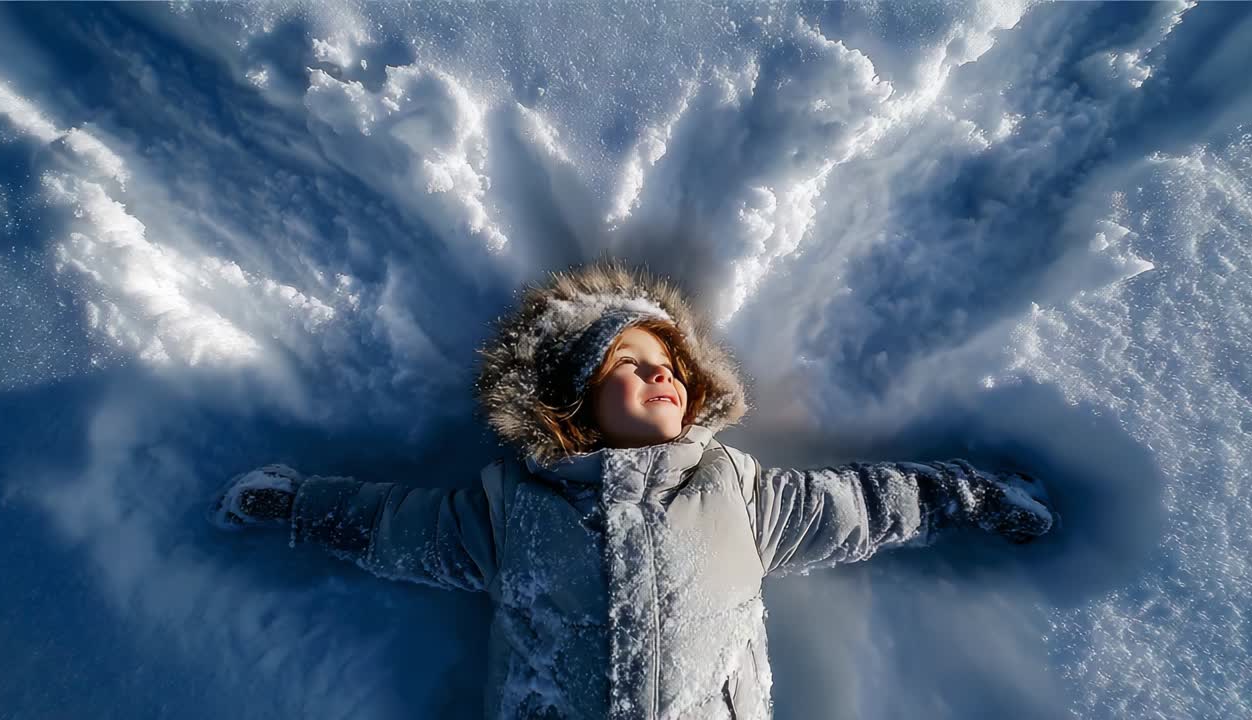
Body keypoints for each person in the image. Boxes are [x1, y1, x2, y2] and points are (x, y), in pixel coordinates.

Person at [209, 258, 1055, 719]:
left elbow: (863, 504)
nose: (665, 379)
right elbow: (393, 526)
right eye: (634, 366)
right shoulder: (509, 507)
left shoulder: (738, 492)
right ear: (574, 396)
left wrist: (964, 495)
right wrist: (298, 504)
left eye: (674, 368)